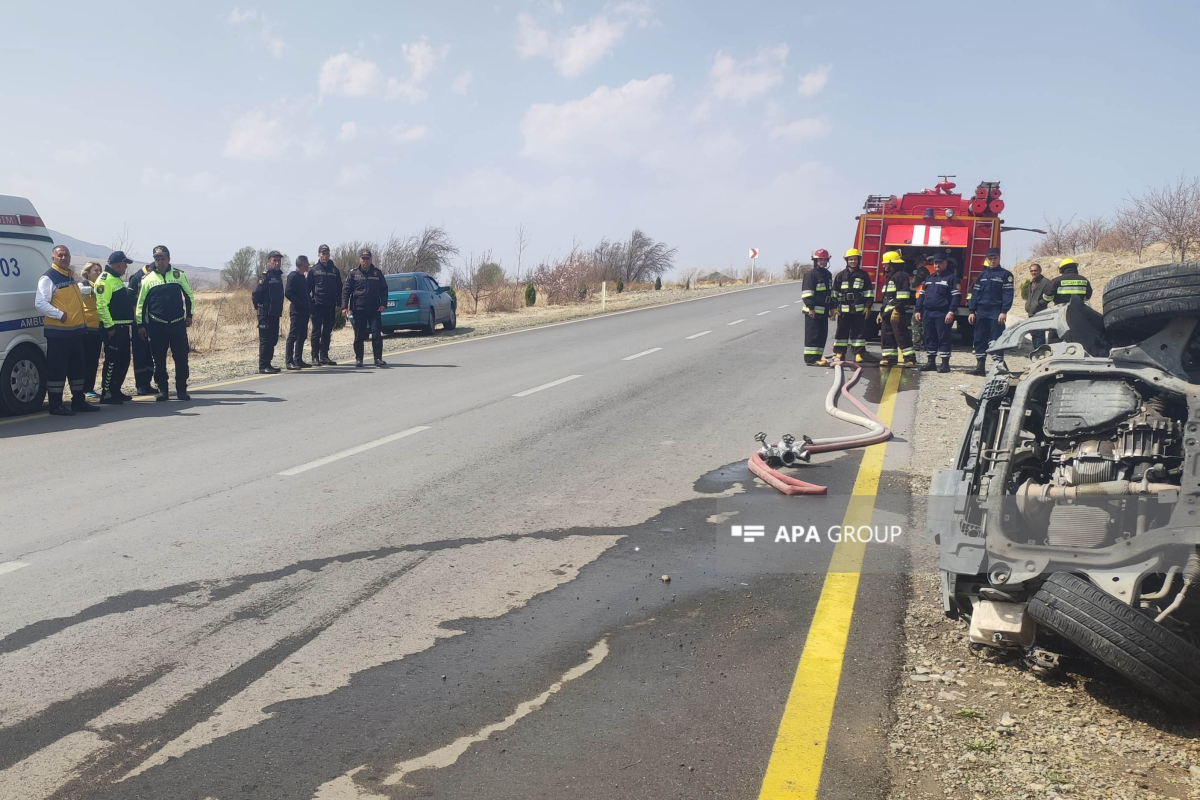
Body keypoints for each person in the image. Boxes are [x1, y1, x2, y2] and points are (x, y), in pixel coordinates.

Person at [34, 246, 99, 416]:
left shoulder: (70, 277)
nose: (63, 258)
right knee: (57, 370)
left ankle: (78, 401)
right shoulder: (48, 278)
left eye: (66, 255)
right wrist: (59, 314)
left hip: (75, 333)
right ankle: (55, 406)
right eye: (60, 255)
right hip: (58, 333)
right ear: (53, 258)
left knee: (78, 369)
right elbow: (40, 303)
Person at [135, 245, 194, 401]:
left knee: (181, 358)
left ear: (168, 259)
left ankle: (181, 389)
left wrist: (190, 315)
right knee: (159, 360)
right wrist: (140, 325)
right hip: (157, 326)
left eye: (163, 258)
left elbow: (189, 296)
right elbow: (141, 304)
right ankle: (163, 390)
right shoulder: (147, 279)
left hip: (177, 325)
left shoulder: (178, 275)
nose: (160, 262)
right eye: (157, 259)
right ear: (154, 260)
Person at [966, 247, 1014, 375]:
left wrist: (1004, 311)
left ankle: (999, 367)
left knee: (996, 338)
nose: (992, 261)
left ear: (999, 259)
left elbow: (1008, 294)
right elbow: (975, 294)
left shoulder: (1006, 275)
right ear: (987, 259)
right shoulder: (982, 275)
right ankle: (980, 367)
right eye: (990, 259)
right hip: (981, 311)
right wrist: (972, 310)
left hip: (996, 311)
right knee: (979, 338)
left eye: (995, 258)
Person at [95, 251, 135, 404]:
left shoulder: (116, 279)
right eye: (125, 264)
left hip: (123, 327)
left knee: (123, 360)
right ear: (118, 264)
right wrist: (110, 326)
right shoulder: (104, 280)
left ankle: (116, 390)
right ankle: (106, 393)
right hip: (113, 329)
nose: (126, 267)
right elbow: (101, 306)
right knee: (112, 361)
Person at [341, 248, 388, 368]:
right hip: (358, 309)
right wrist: (344, 307)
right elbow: (346, 291)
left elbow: (384, 290)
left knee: (376, 334)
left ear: (371, 259)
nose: (365, 261)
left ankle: (378, 359)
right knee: (359, 335)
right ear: (359, 259)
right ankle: (359, 359)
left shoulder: (377, 273)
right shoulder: (353, 273)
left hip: (374, 309)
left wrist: (383, 304)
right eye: (363, 258)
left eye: (367, 258)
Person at [915, 253, 959, 373]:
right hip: (928, 313)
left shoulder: (951, 278)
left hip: (942, 313)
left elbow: (956, 297)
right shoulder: (930, 278)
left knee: (943, 337)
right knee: (929, 337)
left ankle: (945, 364)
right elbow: (921, 295)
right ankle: (931, 363)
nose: (937, 265)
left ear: (945, 263)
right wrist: (917, 310)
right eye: (935, 263)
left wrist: (951, 312)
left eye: (940, 262)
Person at [830, 248, 872, 363]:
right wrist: (833, 308)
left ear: (858, 260)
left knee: (858, 332)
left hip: (858, 310)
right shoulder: (840, 276)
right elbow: (834, 293)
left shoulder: (863, 275)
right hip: (843, 310)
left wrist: (868, 306)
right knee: (841, 332)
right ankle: (839, 352)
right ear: (847, 261)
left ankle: (858, 353)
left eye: (855, 259)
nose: (853, 261)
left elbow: (869, 292)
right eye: (851, 259)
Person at [878, 251, 916, 367]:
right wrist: (881, 312)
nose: (884, 266)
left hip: (896, 312)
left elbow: (903, 295)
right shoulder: (890, 277)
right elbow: (886, 298)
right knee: (886, 336)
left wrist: (897, 310)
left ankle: (909, 359)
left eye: (885, 264)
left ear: (891, 263)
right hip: (886, 313)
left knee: (901, 335)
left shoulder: (900, 276)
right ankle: (889, 358)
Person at [308, 244, 342, 365]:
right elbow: (308, 289)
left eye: (327, 253)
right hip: (317, 305)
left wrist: (340, 304)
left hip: (330, 305)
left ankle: (324, 356)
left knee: (327, 331)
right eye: (323, 254)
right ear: (319, 255)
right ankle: (314, 357)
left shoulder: (334, 270)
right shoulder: (313, 270)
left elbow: (339, 289)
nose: (325, 256)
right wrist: (310, 304)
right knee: (316, 331)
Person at [252, 250, 285, 373]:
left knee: (273, 340)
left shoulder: (278, 276)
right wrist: (257, 305)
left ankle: (268, 364)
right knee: (265, 341)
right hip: (265, 313)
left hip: (275, 313)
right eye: (274, 260)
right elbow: (256, 293)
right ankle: (263, 366)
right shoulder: (265, 276)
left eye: (279, 261)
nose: (277, 263)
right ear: (269, 261)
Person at [126, 261, 156, 395]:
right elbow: (128, 298)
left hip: (154, 322)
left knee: (151, 355)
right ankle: (140, 385)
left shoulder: (154, 278)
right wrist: (143, 302)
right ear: (149, 269)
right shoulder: (136, 278)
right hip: (139, 322)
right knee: (140, 354)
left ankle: (148, 383)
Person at [800, 248, 833, 366]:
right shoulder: (810, 275)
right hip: (812, 312)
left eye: (824, 260)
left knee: (822, 335)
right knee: (812, 335)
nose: (822, 262)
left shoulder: (828, 275)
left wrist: (833, 308)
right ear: (815, 260)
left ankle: (818, 357)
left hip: (824, 311)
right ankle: (810, 359)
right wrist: (811, 308)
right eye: (820, 260)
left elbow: (830, 293)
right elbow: (806, 294)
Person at [78, 262, 104, 401]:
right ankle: (83, 388)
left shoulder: (100, 286)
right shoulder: (83, 285)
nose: (98, 272)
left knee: (94, 360)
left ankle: (90, 387)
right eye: (95, 270)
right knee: (86, 360)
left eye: (100, 270)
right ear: (88, 272)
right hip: (87, 327)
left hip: (98, 327)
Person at [285, 255, 312, 370]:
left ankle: (298, 359)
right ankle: (289, 361)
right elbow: (288, 293)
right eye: (307, 263)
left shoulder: (302, 277)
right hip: (296, 311)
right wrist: (300, 303)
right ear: (302, 264)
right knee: (293, 336)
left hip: (304, 312)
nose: (308, 265)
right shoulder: (293, 276)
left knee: (302, 336)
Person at [1025, 262, 1050, 348]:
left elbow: (1049, 297)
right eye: (1031, 271)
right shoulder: (1031, 282)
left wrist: (1038, 304)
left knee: (1039, 335)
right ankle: (1036, 354)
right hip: (1031, 313)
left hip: (1040, 313)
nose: (1033, 272)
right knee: (1034, 335)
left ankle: (1041, 355)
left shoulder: (1046, 282)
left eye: (1035, 270)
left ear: (1040, 270)